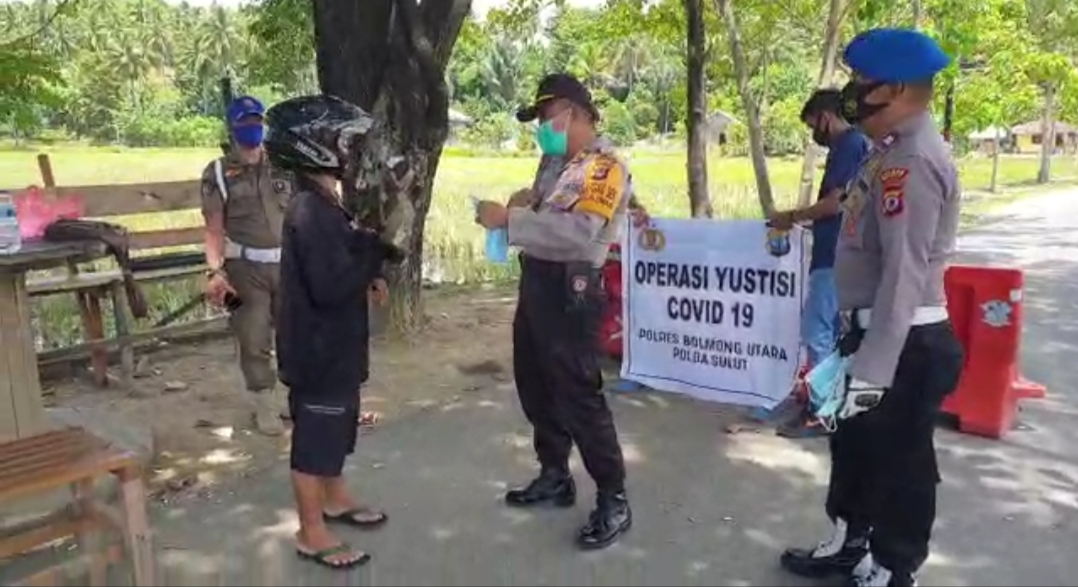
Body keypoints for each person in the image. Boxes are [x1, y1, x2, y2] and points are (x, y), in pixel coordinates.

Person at [779, 28, 965, 587]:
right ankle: (849, 543)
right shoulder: (886, 154)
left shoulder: (914, 162)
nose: (853, 92)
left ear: (899, 88)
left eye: (863, 82)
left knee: (901, 464)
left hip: (904, 342)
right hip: (871, 335)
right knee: (855, 446)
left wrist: (875, 369)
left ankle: (890, 568)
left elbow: (905, 276)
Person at [475, 73, 633, 550]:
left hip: (573, 289)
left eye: (547, 118)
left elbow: (576, 234)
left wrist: (511, 220)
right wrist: (525, 204)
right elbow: (546, 214)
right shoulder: (553, 163)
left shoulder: (603, 168)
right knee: (536, 386)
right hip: (538, 284)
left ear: (577, 114)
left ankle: (614, 498)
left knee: (579, 398)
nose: (542, 128)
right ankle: (554, 473)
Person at [265, 94, 399, 569]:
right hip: (317, 350)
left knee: (338, 428)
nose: (347, 147)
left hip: (335, 346)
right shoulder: (309, 210)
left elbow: (344, 260)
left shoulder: (327, 204)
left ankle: (335, 498)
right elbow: (329, 283)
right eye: (338, 138)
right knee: (315, 439)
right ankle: (311, 531)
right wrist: (374, 253)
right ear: (311, 146)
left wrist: (372, 264)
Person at [768, 89, 870, 438]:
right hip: (838, 253)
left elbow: (834, 204)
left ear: (826, 117)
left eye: (814, 125)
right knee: (828, 333)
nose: (815, 134)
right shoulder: (852, 146)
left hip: (836, 256)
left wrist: (792, 216)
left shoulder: (849, 145)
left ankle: (821, 411)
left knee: (817, 331)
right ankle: (825, 403)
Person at [200, 95, 294, 436]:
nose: (252, 128)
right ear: (232, 127)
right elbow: (213, 226)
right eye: (245, 122)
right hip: (244, 267)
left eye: (257, 121)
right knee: (253, 337)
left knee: (294, 333)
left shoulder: (283, 165)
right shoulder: (219, 173)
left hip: (287, 265)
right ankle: (264, 404)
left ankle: (294, 397)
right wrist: (214, 271)